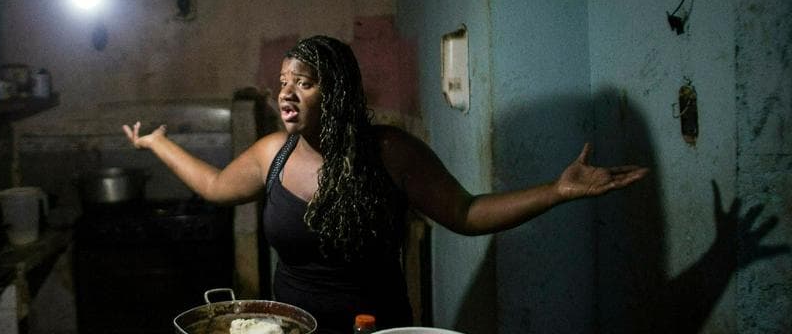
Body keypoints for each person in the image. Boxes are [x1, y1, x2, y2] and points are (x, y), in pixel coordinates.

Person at [123, 35, 649, 334]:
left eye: (303, 83)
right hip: (295, 328)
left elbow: (465, 214)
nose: (286, 93)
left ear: (337, 93)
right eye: (282, 83)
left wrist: (556, 191)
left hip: (377, 327)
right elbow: (215, 185)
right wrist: (157, 143)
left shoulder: (390, 152)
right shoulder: (272, 154)